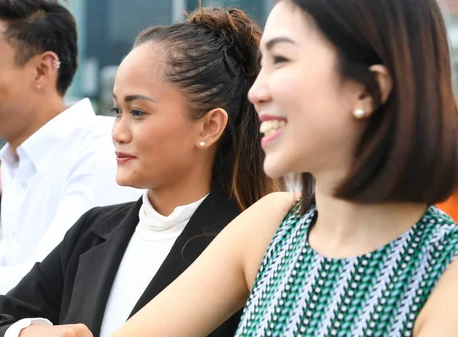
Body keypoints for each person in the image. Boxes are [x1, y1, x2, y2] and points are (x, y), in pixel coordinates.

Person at [50, 0, 458, 336]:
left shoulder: (445, 272)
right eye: (261, 66)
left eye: (281, 60)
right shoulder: (270, 227)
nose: (256, 92)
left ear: (367, 90)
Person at [0, 7, 284, 337]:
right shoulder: (92, 232)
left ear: (209, 126)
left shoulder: (249, 244)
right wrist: (27, 334)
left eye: (138, 112)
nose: (118, 132)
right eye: (117, 111)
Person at [0, 1, 140, 336]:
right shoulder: (21, 158)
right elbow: (17, 249)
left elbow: (50, 272)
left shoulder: (100, 148)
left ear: (42, 70)